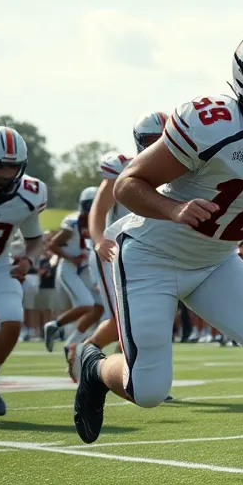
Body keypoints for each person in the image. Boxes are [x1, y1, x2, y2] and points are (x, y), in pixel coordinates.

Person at [74, 25, 243, 485]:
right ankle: (94, 367)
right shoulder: (211, 123)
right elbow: (129, 184)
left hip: (217, 260)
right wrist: (174, 209)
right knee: (149, 391)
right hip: (152, 255)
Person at [78, 113, 169, 363]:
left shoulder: (183, 166)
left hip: (153, 251)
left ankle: (129, 370)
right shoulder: (122, 165)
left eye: (164, 138)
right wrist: (99, 239)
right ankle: (85, 352)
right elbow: (99, 207)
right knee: (123, 316)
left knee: (147, 315)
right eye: (152, 139)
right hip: (116, 250)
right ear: (139, 140)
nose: (158, 144)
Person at [0, 127, 47, 416]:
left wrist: (29, 260)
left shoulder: (30, 193)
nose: (5, 173)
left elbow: (34, 238)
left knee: (14, 319)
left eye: (12, 166)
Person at [43, 187, 104, 377]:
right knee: (86, 304)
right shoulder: (73, 221)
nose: (92, 208)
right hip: (69, 268)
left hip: (85, 268)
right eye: (89, 204)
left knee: (100, 307)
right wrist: (70, 258)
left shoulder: (100, 221)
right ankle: (54, 325)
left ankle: (72, 343)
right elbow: (51, 244)